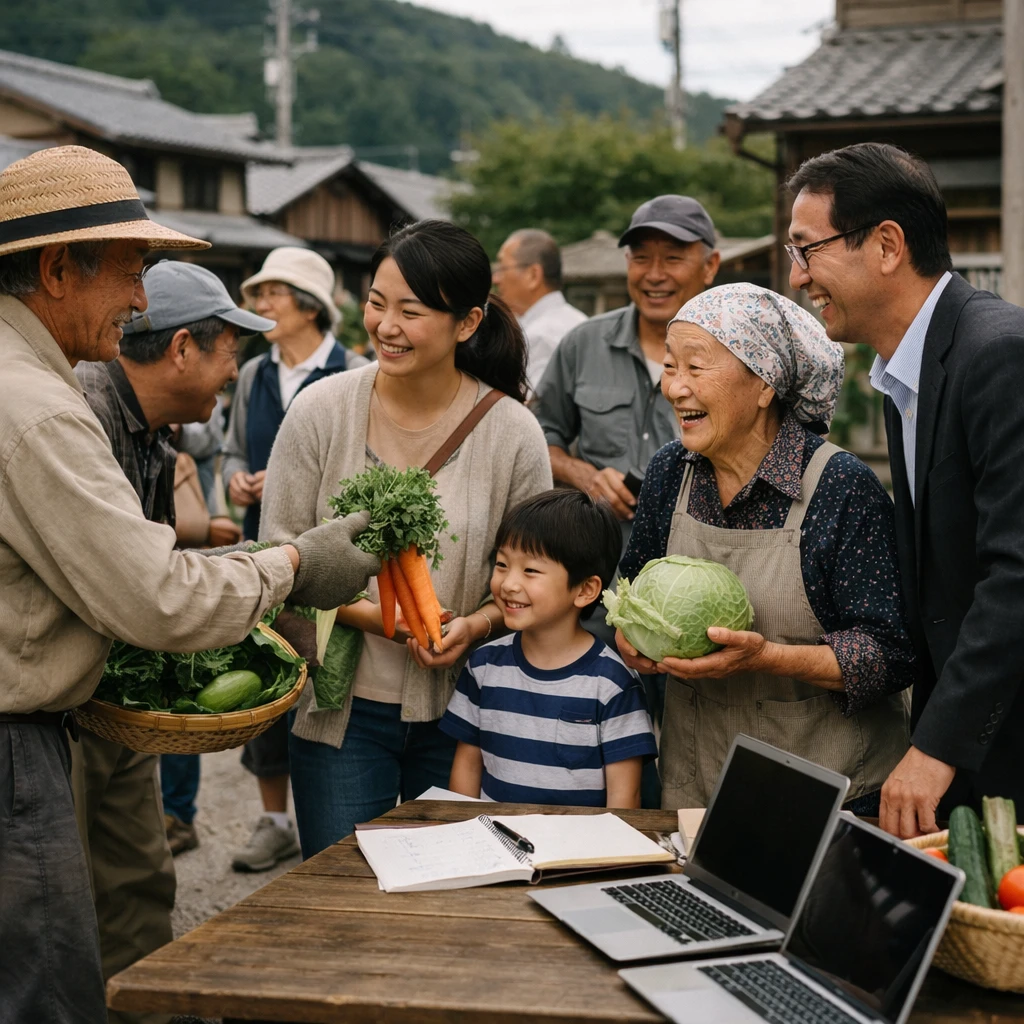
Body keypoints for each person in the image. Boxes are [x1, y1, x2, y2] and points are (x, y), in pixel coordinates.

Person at [0, 145, 379, 1024]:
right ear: (58, 268)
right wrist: (292, 564)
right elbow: (155, 598)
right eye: (134, 270)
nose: (139, 298)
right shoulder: (40, 407)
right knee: (43, 993)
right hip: (13, 746)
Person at [259, 219, 553, 858]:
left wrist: (472, 626)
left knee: (450, 908)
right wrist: (387, 621)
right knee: (341, 902)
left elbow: (540, 573)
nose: (385, 326)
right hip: (338, 714)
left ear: (468, 323)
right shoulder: (320, 410)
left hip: (467, 715)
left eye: (411, 311)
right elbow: (274, 558)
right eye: (376, 302)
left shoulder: (512, 434)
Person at [786, 142, 1024, 834]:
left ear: (887, 245)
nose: (799, 278)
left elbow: (1015, 573)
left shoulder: (996, 354)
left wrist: (937, 745)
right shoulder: (903, 372)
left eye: (808, 250)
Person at [616, 282, 914, 811]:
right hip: (696, 793)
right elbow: (630, 587)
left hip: (828, 804)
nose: (675, 387)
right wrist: (635, 640)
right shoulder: (669, 472)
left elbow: (890, 656)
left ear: (764, 385)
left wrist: (767, 657)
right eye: (668, 366)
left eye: (696, 367)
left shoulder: (840, 488)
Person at [71, 259, 277, 1023]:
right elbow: (137, 583)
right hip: (57, 701)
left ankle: (142, 1006)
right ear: (185, 347)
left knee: (137, 873)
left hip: (111, 697)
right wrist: (279, 571)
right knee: (59, 892)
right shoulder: (81, 417)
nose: (236, 371)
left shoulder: (154, 437)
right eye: (231, 350)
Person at [223, 246, 368, 872]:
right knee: (266, 673)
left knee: (322, 682)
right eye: (259, 296)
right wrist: (236, 483)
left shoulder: (356, 371)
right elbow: (231, 452)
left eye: (272, 295)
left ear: (309, 305)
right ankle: (274, 818)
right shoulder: (254, 374)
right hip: (268, 551)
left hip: (332, 562)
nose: (260, 307)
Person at [441, 490, 657, 807]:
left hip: (575, 854)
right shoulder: (483, 666)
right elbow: (467, 771)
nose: (508, 583)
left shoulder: (613, 684)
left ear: (585, 590)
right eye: (502, 564)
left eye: (530, 570)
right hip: (493, 849)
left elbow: (625, 799)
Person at [491, 229, 586, 393]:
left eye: (502, 268)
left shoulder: (542, 336)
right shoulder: (578, 321)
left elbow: (533, 409)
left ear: (533, 275)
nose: (496, 279)